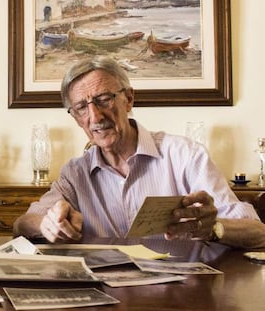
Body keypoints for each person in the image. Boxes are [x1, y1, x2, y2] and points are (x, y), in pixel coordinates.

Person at [14, 55, 265, 249]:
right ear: (76, 117)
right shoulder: (75, 173)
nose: (95, 116)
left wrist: (213, 228)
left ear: (129, 99)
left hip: (181, 296)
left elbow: (257, 232)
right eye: (81, 107)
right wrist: (46, 224)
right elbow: (22, 224)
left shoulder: (185, 156)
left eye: (104, 99)